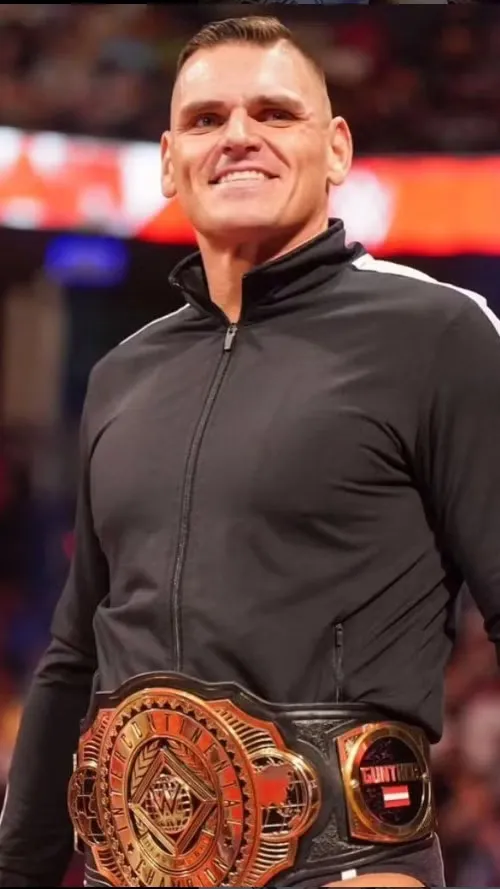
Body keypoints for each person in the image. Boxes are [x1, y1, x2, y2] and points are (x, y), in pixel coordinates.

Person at [1, 13, 500, 889]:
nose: (239, 136)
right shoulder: (123, 374)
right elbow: (76, 652)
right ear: (168, 162)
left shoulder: (436, 335)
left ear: (336, 148)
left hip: (351, 868)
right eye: (206, 119)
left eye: (274, 112)